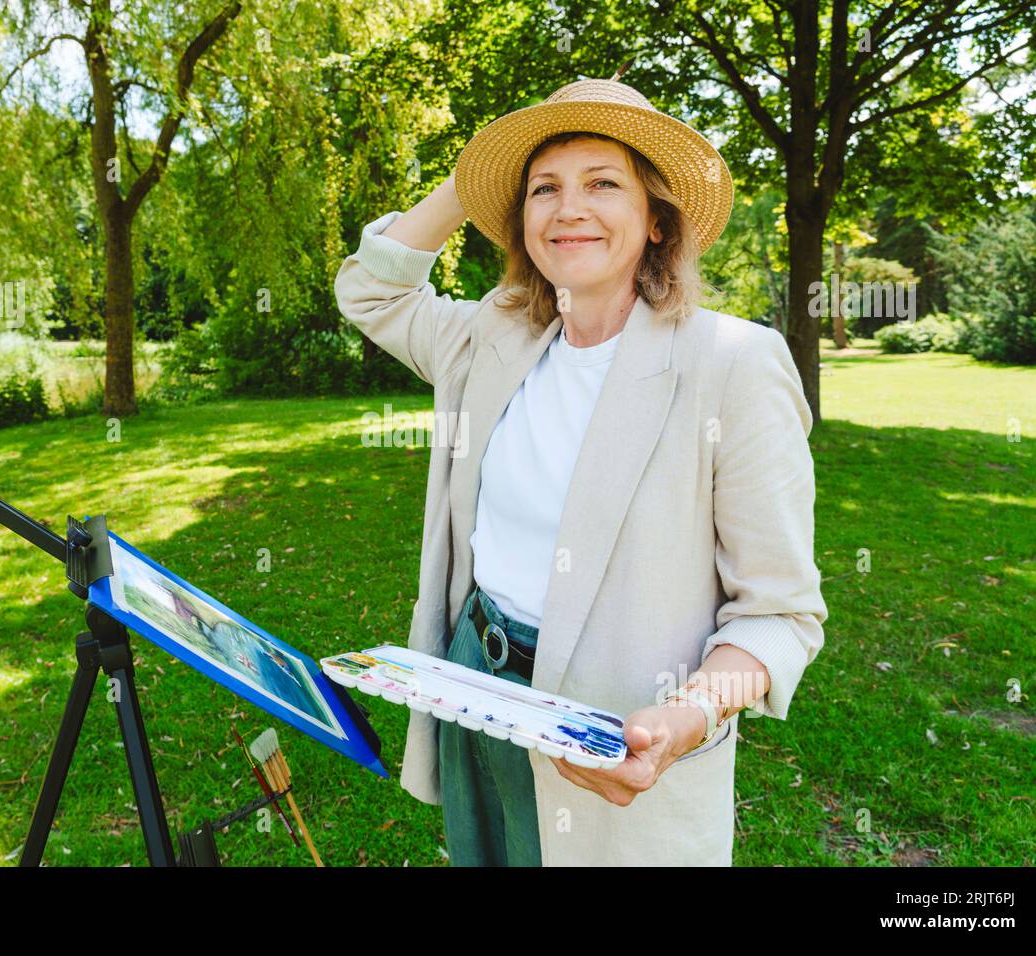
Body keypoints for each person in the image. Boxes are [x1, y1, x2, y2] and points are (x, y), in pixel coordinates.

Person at [333, 70, 828, 866]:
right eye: (542, 189)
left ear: (657, 221)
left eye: (603, 183)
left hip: (612, 743)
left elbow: (780, 616)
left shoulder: (733, 363)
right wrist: (479, 173)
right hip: (475, 689)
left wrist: (689, 716)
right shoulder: (494, 336)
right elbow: (370, 290)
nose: (569, 209)